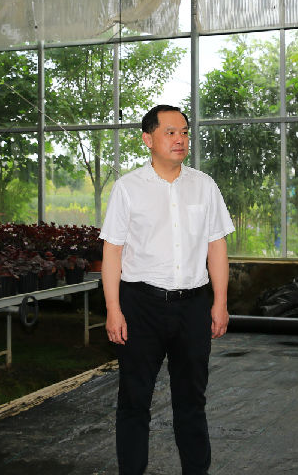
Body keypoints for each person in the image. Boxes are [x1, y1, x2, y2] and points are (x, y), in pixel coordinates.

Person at [101, 105, 234, 475]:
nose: (180, 140)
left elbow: (217, 246)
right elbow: (112, 251)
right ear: (148, 139)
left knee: (192, 400)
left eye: (185, 132)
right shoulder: (128, 188)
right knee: (134, 400)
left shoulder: (204, 185)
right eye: (170, 132)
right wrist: (113, 309)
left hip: (193, 305)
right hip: (140, 305)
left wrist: (220, 302)